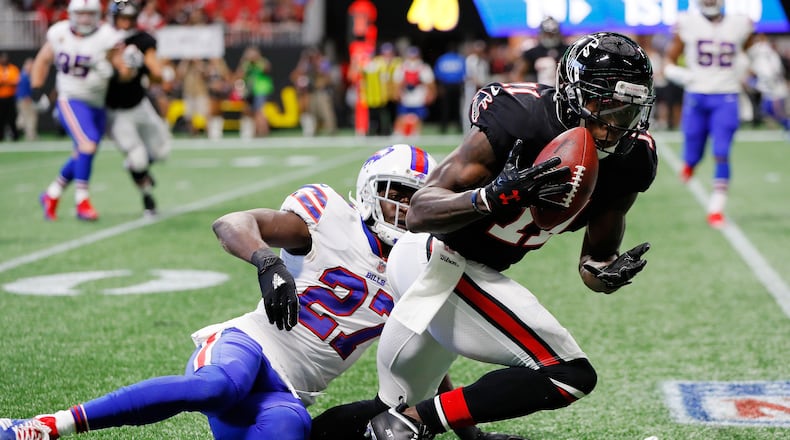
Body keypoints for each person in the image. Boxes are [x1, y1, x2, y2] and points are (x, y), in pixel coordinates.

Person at [0, 144, 516, 440]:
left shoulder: (418, 266)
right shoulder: (326, 218)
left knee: (291, 430)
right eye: (396, 194)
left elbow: (425, 363)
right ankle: (46, 425)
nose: (405, 208)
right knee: (215, 388)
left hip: (290, 393)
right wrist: (267, 261)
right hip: (246, 347)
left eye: (416, 199)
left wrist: (471, 433)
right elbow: (233, 221)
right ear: (368, 192)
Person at [318, 32, 658, 440]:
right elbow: (421, 211)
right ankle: (417, 422)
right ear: (572, 91)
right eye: (607, 106)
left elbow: (594, 261)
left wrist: (604, 273)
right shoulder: (522, 118)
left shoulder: (633, 160)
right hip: (435, 257)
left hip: (471, 274)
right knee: (569, 373)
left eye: (630, 113)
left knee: (389, 408)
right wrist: (490, 198)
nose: (616, 126)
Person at [33, 0, 137, 221]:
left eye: (90, 14)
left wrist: (126, 68)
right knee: (87, 146)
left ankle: (51, 194)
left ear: (97, 15)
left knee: (82, 152)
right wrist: (36, 90)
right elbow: (42, 60)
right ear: (71, 14)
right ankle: (82, 201)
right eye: (80, 14)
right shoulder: (59, 33)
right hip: (70, 99)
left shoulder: (108, 36)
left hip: (96, 104)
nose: (85, 19)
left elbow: (124, 71)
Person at [663, 0, 755, 228]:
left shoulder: (740, 23)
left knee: (721, 151)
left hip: (727, 96)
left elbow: (753, 54)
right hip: (697, 95)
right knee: (693, 149)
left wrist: (747, 66)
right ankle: (690, 164)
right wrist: (685, 76)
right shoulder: (687, 22)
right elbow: (669, 63)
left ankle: (716, 208)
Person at [105, 0, 172, 218]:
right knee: (138, 158)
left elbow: (157, 75)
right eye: (122, 18)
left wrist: (142, 63)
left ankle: (137, 170)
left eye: (130, 18)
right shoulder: (103, 39)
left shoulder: (142, 40)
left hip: (140, 104)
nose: (126, 23)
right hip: (116, 111)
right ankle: (147, 197)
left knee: (162, 151)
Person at [747, 34, 790, 133]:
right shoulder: (767, 52)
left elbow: (770, 71)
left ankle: (787, 124)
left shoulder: (762, 51)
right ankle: (786, 124)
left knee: (774, 110)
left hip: (773, 86)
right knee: (769, 109)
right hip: (770, 85)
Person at [512, 16, 568, 86]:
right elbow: (518, 74)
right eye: (547, 34)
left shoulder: (567, 50)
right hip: (539, 92)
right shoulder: (532, 52)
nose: (550, 37)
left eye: (552, 34)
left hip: (563, 92)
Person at [0, 51, 21, 141]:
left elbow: (16, 81)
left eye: (5, 57)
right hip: (1, 98)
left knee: (12, 117)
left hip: (11, 97)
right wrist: (8, 82)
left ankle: (15, 135)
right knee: (1, 117)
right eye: (2, 58)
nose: (4, 59)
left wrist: (4, 83)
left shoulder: (13, 68)